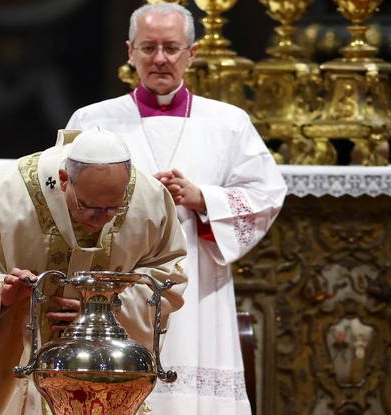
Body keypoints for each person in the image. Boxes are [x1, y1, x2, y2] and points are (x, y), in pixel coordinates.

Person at [66, 3, 287, 414]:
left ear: (193, 52)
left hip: (198, 280)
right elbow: (64, 196)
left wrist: (203, 198)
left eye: (171, 47)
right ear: (130, 52)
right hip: (118, 278)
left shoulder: (228, 122)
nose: (160, 59)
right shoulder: (94, 121)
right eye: (149, 48)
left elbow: (266, 194)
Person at [0, 129, 188, 415]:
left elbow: (168, 276)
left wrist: (103, 310)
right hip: (14, 356)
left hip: (100, 364)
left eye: (114, 209)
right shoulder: (4, 194)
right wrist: (1, 292)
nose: (100, 220)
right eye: (89, 207)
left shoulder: (148, 199)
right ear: (63, 181)